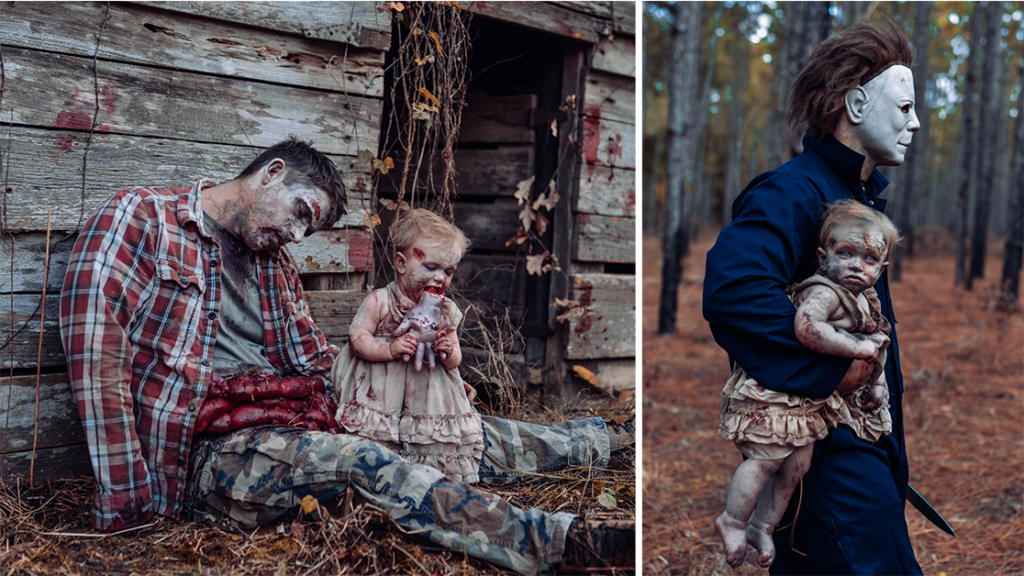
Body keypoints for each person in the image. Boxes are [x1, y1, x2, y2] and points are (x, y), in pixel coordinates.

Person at [58, 137, 637, 575]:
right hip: (208, 453)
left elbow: (315, 359)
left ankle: (610, 438)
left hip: (298, 415)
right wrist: (128, 501)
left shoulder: (274, 265)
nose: (297, 236)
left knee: (460, 433)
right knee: (365, 461)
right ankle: (563, 544)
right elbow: (95, 358)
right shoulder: (144, 219)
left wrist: (419, 396)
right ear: (271, 174)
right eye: (303, 213)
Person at [703, 18, 924, 574]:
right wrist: (833, 373)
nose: (915, 123)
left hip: (856, 444)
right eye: (903, 108)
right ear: (854, 104)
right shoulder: (793, 189)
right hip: (825, 456)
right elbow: (735, 291)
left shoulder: (851, 194)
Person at [715, 200, 899, 568]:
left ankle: (762, 526)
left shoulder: (867, 300)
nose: (855, 266)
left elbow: (880, 343)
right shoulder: (826, 292)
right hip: (781, 397)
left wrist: (878, 383)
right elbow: (807, 327)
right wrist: (855, 347)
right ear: (822, 255)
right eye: (845, 253)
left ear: (882, 268)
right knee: (766, 460)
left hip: (811, 405)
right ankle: (732, 521)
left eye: (869, 259)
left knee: (796, 466)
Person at [331, 208, 484, 483]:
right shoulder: (380, 302)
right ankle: (378, 476)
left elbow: (456, 358)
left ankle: (430, 479)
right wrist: (389, 348)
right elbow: (357, 339)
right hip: (380, 391)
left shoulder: (446, 311)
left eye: (448, 271)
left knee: (428, 439)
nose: (440, 278)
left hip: (427, 396)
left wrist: (447, 352)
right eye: (431, 267)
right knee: (376, 442)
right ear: (401, 263)